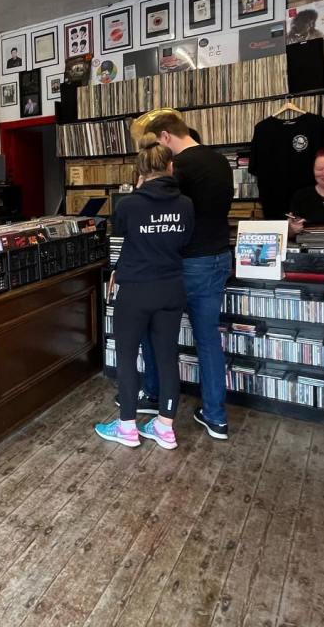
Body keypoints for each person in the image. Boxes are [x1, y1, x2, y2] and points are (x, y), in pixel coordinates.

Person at [138, 109, 234, 439]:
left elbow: (152, 210)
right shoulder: (220, 161)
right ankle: (216, 416)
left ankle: (154, 397)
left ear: (165, 136)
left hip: (182, 263)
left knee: (156, 332)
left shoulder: (177, 167)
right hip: (219, 257)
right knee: (208, 340)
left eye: (157, 142)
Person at [96, 134, 193, 449]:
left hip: (136, 289)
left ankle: (127, 428)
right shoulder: (186, 204)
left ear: (139, 172)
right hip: (172, 287)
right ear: (170, 166)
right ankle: (165, 427)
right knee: (167, 356)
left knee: (126, 355)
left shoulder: (129, 204)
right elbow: (185, 241)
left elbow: (120, 236)